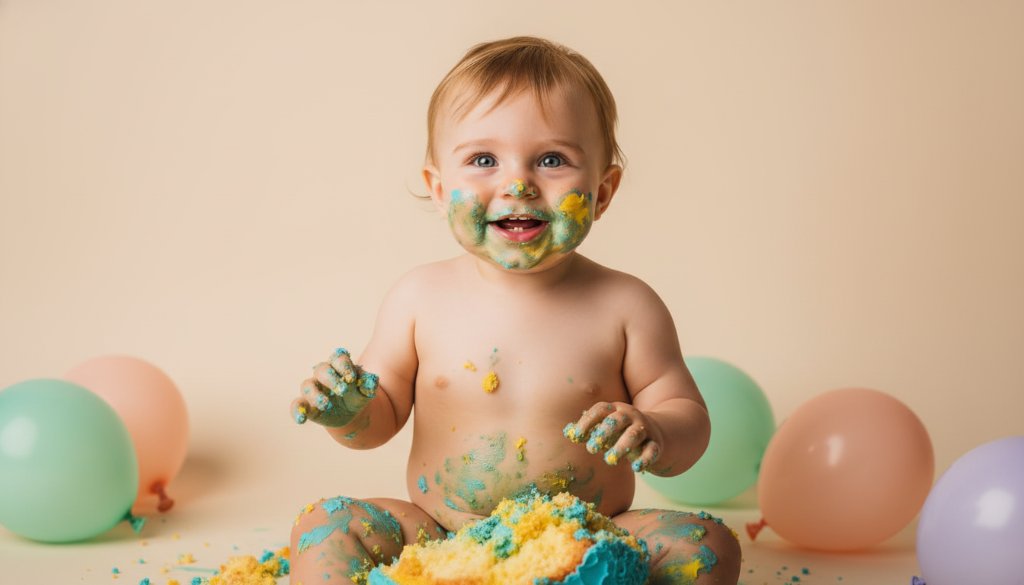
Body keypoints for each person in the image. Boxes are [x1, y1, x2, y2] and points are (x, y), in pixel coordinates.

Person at [289, 36, 741, 585]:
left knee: (707, 544)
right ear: (438, 188)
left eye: (552, 159)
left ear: (603, 190)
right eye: (483, 160)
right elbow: (375, 423)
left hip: (588, 539)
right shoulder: (418, 298)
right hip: (439, 538)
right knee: (328, 524)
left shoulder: (626, 305)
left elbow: (685, 415)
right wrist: (348, 411)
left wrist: (657, 430)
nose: (518, 183)